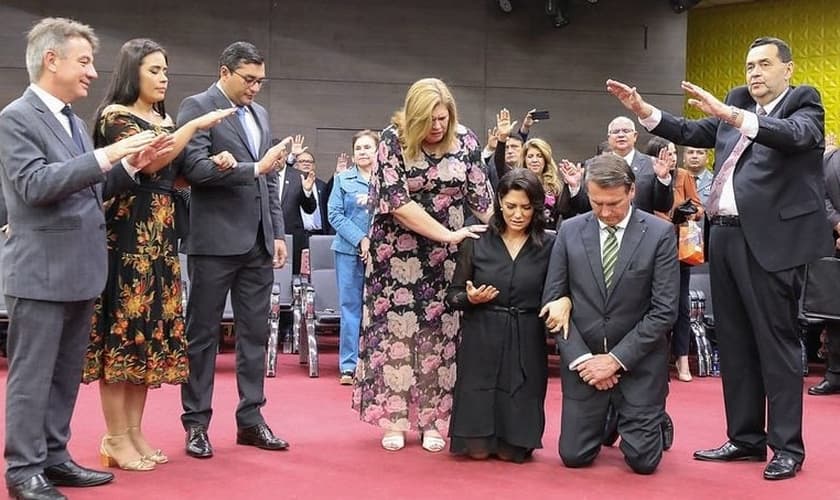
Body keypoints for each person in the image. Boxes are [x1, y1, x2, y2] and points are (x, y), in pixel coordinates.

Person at [607, 35, 831, 480]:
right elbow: (690, 131)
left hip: (771, 242)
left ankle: (786, 447)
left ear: (787, 69)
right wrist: (643, 110)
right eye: (749, 66)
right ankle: (745, 438)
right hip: (724, 238)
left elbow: (797, 136)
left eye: (764, 64)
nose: (754, 73)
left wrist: (734, 115)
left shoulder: (802, 103)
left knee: (777, 344)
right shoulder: (735, 104)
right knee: (736, 343)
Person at [0, 17, 172, 500]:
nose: (93, 73)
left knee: (64, 375)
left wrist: (129, 168)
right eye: (84, 61)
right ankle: (23, 470)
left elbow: (88, 189)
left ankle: (54, 458)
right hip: (40, 271)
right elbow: (35, 186)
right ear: (50, 60)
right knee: (32, 379)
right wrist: (109, 153)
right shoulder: (15, 117)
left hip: (81, 269)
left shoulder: (73, 121)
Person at [81, 38, 236, 472]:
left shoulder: (161, 118)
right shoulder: (116, 117)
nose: (164, 78)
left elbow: (174, 173)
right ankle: (114, 436)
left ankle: (133, 432)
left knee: (147, 337)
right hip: (127, 238)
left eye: (166, 70)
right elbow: (150, 162)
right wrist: (194, 127)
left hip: (161, 236)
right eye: (154, 70)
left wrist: (215, 160)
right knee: (123, 335)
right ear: (133, 73)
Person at [352, 77, 493, 453]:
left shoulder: (466, 141)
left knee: (439, 338)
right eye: (429, 120)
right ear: (413, 117)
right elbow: (398, 203)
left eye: (443, 119)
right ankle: (395, 419)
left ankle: (434, 419)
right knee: (396, 336)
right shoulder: (391, 140)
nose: (437, 127)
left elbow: (483, 199)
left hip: (446, 260)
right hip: (395, 256)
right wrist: (447, 234)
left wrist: (509, 233)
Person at [176, 41, 294, 459]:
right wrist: (251, 168)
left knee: (256, 335)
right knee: (203, 336)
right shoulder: (197, 107)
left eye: (261, 81)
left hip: (258, 242)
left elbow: (268, 182)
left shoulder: (259, 114)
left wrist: (277, 232)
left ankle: (251, 419)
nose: (255, 88)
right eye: (249, 80)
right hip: (213, 243)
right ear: (224, 71)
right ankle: (196, 424)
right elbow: (193, 169)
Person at [541, 154, 679, 475]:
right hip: (585, 364)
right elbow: (552, 302)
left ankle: (646, 415)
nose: (605, 213)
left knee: (643, 463)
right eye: (596, 202)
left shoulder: (659, 234)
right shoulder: (570, 231)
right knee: (574, 456)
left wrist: (614, 360)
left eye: (613, 203)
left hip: (638, 364)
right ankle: (613, 415)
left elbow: (664, 312)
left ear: (631, 191)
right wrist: (585, 361)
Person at [446, 169, 553, 463]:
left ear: (537, 208)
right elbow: (452, 296)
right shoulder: (476, 240)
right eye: (510, 206)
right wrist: (470, 298)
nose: (518, 214)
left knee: (511, 453)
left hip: (527, 334)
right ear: (499, 204)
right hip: (482, 333)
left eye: (526, 207)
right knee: (477, 452)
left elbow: (558, 292)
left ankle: (518, 434)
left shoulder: (550, 244)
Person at [643, 137, 704, 382]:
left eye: (673, 154)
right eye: (665, 154)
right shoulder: (644, 175)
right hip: (649, 246)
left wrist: (686, 212)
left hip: (680, 248)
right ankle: (654, 357)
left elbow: (699, 209)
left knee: (680, 304)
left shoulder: (683, 176)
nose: (671, 159)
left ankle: (681, 358)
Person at [327, 130, 378, 385]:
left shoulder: (387, 181)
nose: (363, 152)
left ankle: (376, 363)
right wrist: (360, 238)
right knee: (350, 308)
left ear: (377, 151)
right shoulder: (342, 179)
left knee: (379, 310)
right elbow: (334, 214)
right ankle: (349, 366)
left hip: (381, 254)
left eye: (368, 147)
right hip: (348, 251)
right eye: (358, 148)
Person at [809, 143, 840, 396]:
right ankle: (834, 374)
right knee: (834, 316)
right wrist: (838, 225)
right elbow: (821, 196)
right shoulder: (829, 160)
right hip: (835, 244)